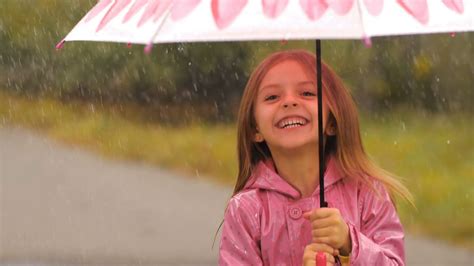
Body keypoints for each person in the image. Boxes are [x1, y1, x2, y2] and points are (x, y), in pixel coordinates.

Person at [218, 50, 413, 265]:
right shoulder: (246, 210)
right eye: (272, 97)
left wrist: (349, 242)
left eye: (308, 93)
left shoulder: (367, 192)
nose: (289, 102)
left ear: (332, 121)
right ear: (255, 128)